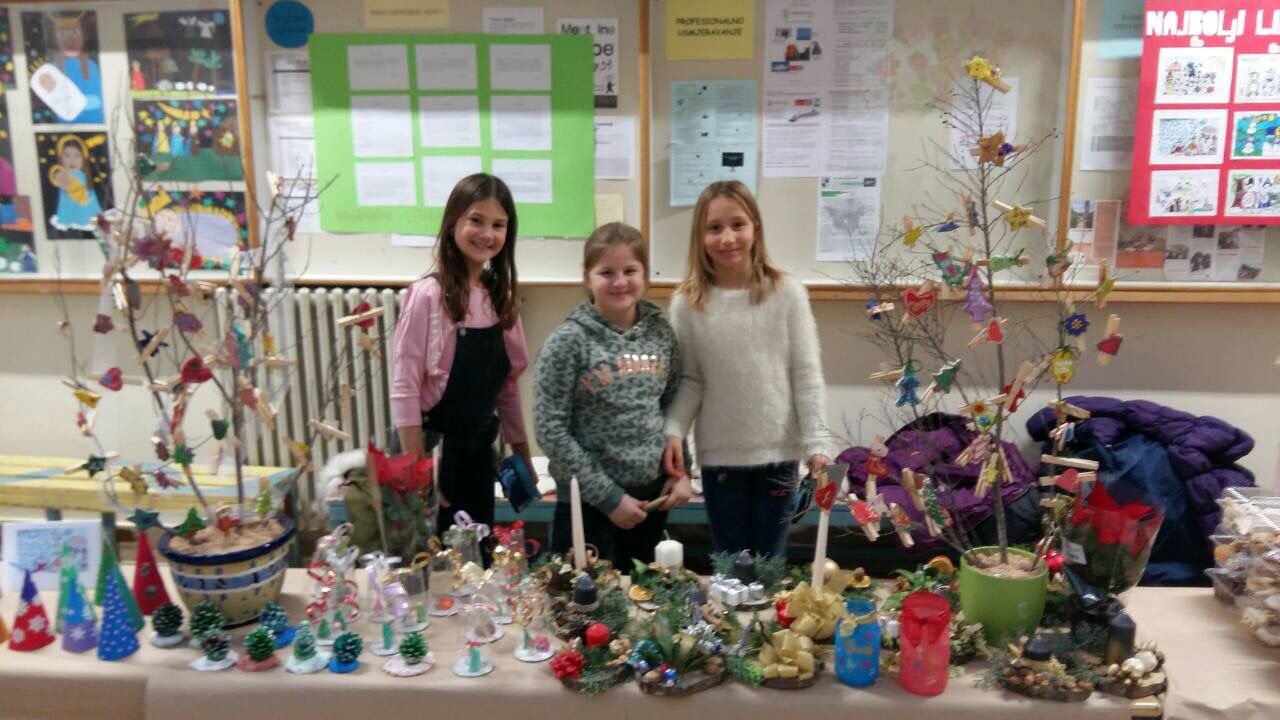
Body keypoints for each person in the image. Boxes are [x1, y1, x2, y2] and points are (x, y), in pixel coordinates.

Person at [662, 180, 836, 559]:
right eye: (714, 228)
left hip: (778, 456)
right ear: (700, 236)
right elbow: (691, 380)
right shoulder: (687, 304)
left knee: (770, 566)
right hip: (720, 460)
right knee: (730, 568)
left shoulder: (786, 293)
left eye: (737, 225)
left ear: (755, 226)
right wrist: (674, 430)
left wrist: (817, 443)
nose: (727, 238)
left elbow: (806, 375)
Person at [534, 223, 690, 566]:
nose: (620, 282)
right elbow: (550, 430)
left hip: (651, 501)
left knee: (645, 592)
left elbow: (671, 408)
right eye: (607, 272)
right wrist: (608, 497)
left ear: (645, 274)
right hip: (589, 505)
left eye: (630, 271)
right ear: (587, 278)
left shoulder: (661, 333)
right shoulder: (568, 342)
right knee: (584, 597)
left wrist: (682, 473)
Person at [392, 173, 536, 529]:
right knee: (433, 554)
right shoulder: (427, 296)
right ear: (453, 222)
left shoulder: (502, 299)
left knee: (479, 550)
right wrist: (417, 472)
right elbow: (405, 388)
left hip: (478, 457)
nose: (487, 234)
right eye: (476, 220)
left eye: (498, 225)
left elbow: (507, 388)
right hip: (432, 457)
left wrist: (523, 456)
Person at [49, 135, 102, 231]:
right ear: (61, 158)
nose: (72, 160)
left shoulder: (84, 176)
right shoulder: (62, 175)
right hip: (69, 214)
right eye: (67, 156)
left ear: (83, 158)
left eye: (77, 156)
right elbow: (64, 185)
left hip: (87, 215)